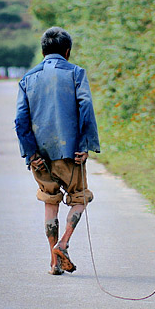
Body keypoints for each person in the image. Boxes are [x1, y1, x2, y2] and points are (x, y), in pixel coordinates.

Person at [15, 27, 100, 275]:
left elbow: (21, 121)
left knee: (49, 203)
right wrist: (84, 146)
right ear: (67, 51)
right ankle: (63, 243)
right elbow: (85, 108)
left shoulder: (27, 79)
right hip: (70, 154)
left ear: (43, 52)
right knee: (81, 197)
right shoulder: (76, 73)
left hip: (40, 156)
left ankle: (54, 263)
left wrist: (31, 155)